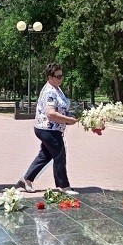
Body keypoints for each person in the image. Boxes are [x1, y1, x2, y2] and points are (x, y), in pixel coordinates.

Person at [17, 63, 78, 194]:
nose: (61, 79)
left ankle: (26, 180)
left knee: (45, 155)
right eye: (58, 76)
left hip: (51, 129)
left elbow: (60, 109)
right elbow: (51, 113)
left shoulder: (56, 88)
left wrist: (69, 116)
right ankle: (63, 186)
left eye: (62, 76)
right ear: (50, 77)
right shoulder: (50, 91)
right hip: (48, 129)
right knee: (59, 154)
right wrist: (69, 120)